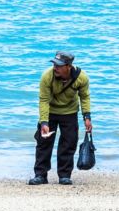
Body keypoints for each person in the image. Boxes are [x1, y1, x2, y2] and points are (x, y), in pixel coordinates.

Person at [29, 51, 93, 185]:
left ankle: (64, 175)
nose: (55, 68)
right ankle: (40, 175)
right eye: (54, 64)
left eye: (59, 65)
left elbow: (85, 97)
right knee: (43, 143)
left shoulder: (81, 77)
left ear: (68, 66)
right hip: (50, 111)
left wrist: (87, 116)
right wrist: (44, 122)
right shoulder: (47, 76)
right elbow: (44, 100)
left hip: (70, 112)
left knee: (68, 144)